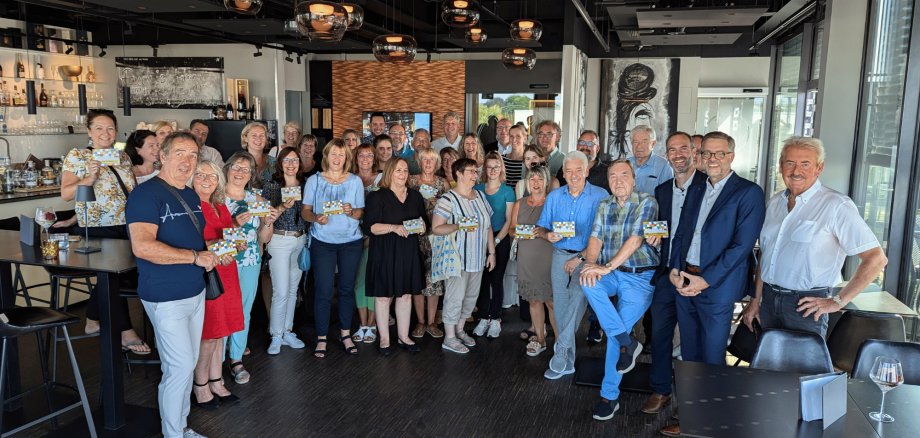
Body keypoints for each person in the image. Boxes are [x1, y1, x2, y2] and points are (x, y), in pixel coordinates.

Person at [741, 137, 887, 338]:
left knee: (802, 369)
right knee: (767, 368)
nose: (796, 171)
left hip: (807, 306)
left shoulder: (836, 205)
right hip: (768, 300)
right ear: (781, 166)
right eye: (790, 163)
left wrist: (838, 301)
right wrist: (755, 301)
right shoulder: (775, 203)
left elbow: (876, 258)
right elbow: (766, 256)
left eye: (805, 164)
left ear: (819, 168)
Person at [126, 132, 218, 438]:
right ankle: (173, 434)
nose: (187, 161)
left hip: (194, 290)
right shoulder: (145, 195)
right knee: (178, 368)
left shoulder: (191, 195)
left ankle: (180, 426)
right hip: (164, 295)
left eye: (193, 155)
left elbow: (196, 240)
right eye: (179, 153)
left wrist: (215, 253)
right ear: (162, 156)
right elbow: (143, 247)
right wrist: (194, 257)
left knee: (187, 364)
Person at [669, 131, 765, 367]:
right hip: (684, 279)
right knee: (689, 353)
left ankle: (713, 403)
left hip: (717, 287)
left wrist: (706, 280)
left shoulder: (748, 192)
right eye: (706, 153)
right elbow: (682, 233)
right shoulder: (697, 188)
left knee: (712, 356)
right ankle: (690, 402)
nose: (712, 158)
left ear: (731, 156)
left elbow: (741, 247)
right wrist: (673, 269)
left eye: (719, 153)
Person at [60, 109, 150, 354]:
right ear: (89, 131)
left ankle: (91, 319)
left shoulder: (122, 157)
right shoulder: (77, 156)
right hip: (98, 226)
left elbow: (128, 191)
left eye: (110, 128)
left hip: (128, 224)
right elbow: (67, 194)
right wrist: (88, 178)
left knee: (120, 276)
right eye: (99, 128)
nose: (105, 133)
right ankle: (126, 332)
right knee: (113, 276)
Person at [579, 159, 659, 421]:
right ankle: (628, 341)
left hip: (639, 277)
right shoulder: (604, 204)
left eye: (624, 175)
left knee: (614, 336)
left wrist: (606, 266)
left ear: (634, 179)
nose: (618, 180)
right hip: (612, 273)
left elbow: (636, 239)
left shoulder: (647, 201)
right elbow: (595, 238)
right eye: (613, 176)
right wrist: (591, 265)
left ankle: (608, 396)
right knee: (586, 279)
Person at [642, 132, 707, 429]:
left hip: (693, 276)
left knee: (692, 340)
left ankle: (689, 403)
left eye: (684, 148)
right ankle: (661, 390)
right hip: (666, 274)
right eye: (672, 150)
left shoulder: (708, 187)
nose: (678, 154)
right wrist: (654, 239)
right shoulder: (664, 189)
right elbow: (663, 229)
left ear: (694, 152)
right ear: (666, 154)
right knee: (659, 335)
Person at [536, 151, 608, 380]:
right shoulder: (555, 197)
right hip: (559, 255)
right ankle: (567, 363)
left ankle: (560, 351)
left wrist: (580, 258)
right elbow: (540, 228)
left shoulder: (600, 195)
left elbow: (604, 233)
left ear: (587, 171)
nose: (574, 175)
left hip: (587, 258)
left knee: (577, 300)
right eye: (569, 171)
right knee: (561, 308)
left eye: (579, 170)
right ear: (563, 173)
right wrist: (548, 236)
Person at [190, 160, 245, 410]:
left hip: (227, 270)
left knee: (222, 331)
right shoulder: (190, 205)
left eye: (211, 176)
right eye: (200, 174)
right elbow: (193, 243)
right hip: (207, 273)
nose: (206, 179)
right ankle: (200, 385)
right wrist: (219, 246)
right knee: (209, 334)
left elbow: (226, 236)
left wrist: (237, 243)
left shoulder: (219, 205)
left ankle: (216, 380)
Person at [302, 139, 364, 357]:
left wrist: (350, 212)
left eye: (342, 155)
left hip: (351, 242)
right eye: (333, 154)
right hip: (323, 243)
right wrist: (316, 218)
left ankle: (345, 333)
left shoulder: (355, 181)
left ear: (346, 158)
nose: (337, 159)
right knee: (324, 290)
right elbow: (305, 211)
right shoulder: (314, 181)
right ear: (326, 156)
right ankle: (321, 337)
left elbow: (360, 213)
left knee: (347, 289)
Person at [363, 158, 428, 355]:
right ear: (390, 172)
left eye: (405, 170)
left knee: (406, 295)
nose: (402, 174)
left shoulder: (415, 196)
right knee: (383, 297)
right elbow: (370, 227)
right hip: (384, 252)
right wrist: (394, 228)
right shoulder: (377, 197)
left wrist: (423, 227)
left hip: (408, 251)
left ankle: (404, 336)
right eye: (398, 170)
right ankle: (384, 338)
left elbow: (424, 222)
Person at [431, 158, 496, 354]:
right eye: (471, 171)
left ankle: (460, 330)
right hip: (457, 258)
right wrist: (458, 226)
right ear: (458, 173)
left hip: (477, 258)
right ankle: (449, 337)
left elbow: (488, 227)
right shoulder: (448, 199)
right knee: (454, 297)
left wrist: (491, 252)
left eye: (476, 172)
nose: (475, 175)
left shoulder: (480, 196)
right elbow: (436, 228)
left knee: (470, 297)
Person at [223, 151, 273, 383]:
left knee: (243, 309)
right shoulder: (216, 197)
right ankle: (215, 358)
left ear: (252, 174)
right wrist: (233, 222)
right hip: (223, 261)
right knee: (221, 308)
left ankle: (235, 358)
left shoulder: (258, 200)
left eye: (246, 169)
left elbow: (263, 238)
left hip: (251, 259)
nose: (240, 172)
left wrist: (268, 222)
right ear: (228, 168)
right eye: (236, 167)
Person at [509, 165, 557, 356]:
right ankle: (540, 339)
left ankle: (561, 344)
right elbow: (512, 229)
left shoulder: (553, 201)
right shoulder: (520, 203)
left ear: (546, 182)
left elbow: (560, 229)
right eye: (532, 179)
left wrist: (545, 233)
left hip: (549, 256)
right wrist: (519, 233)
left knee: (552, 302)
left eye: (539, 179)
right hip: (527, 257)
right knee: (534, 301)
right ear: (527, 182)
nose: (535, 183)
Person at [263, 147, 307, 355]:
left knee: (292, 290)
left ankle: (288, 330)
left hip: (300, 240)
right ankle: (276, 335)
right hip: (279, 240)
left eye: (295, 160)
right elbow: (265, 217)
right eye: (287, 160)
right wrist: (282, 206)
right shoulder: (272, 185)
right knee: (280, 291)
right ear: (280, 163)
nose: (291, 164)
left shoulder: (305, 184)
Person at [472, 152, 515, 338]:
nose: (492, 170)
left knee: (497, 279)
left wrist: (496, 243)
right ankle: (483, 317)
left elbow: (509, 221)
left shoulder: (507, 191)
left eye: (496, 167)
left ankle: (495, 318)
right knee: (482, 279)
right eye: (489, 167)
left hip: (500, 238)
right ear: (484, 169)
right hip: (479, 238)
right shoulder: (477, 188)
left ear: (501, 169)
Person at [408, 148, 449, 339]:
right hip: (415, 236)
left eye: (432, 160)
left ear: (437, 163)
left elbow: (451, 208)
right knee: (416, 279)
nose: (428, 163)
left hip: (436, 237)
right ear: (420, 161)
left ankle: (432, 321)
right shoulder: (412, 181)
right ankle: (420, 321)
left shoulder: (443, 183)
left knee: (434, 280)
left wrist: (437, 202)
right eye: (425, 160)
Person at [352, 143, 381, 344]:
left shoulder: (381, 179)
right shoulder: (349, 178)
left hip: (376, 237)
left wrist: (372, 236)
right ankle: (363, 324)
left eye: (369, 155)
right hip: (352, 237)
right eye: (361, 155)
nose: (365, 159)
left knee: (373, 281)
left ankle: (372, 325)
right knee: (357, 283)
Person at [627, 125, 673, 195]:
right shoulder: (626, 164)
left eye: (644, 142)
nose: (639, 146)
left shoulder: (664, 165)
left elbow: (668, 195)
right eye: (635, 142)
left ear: (653, 144)